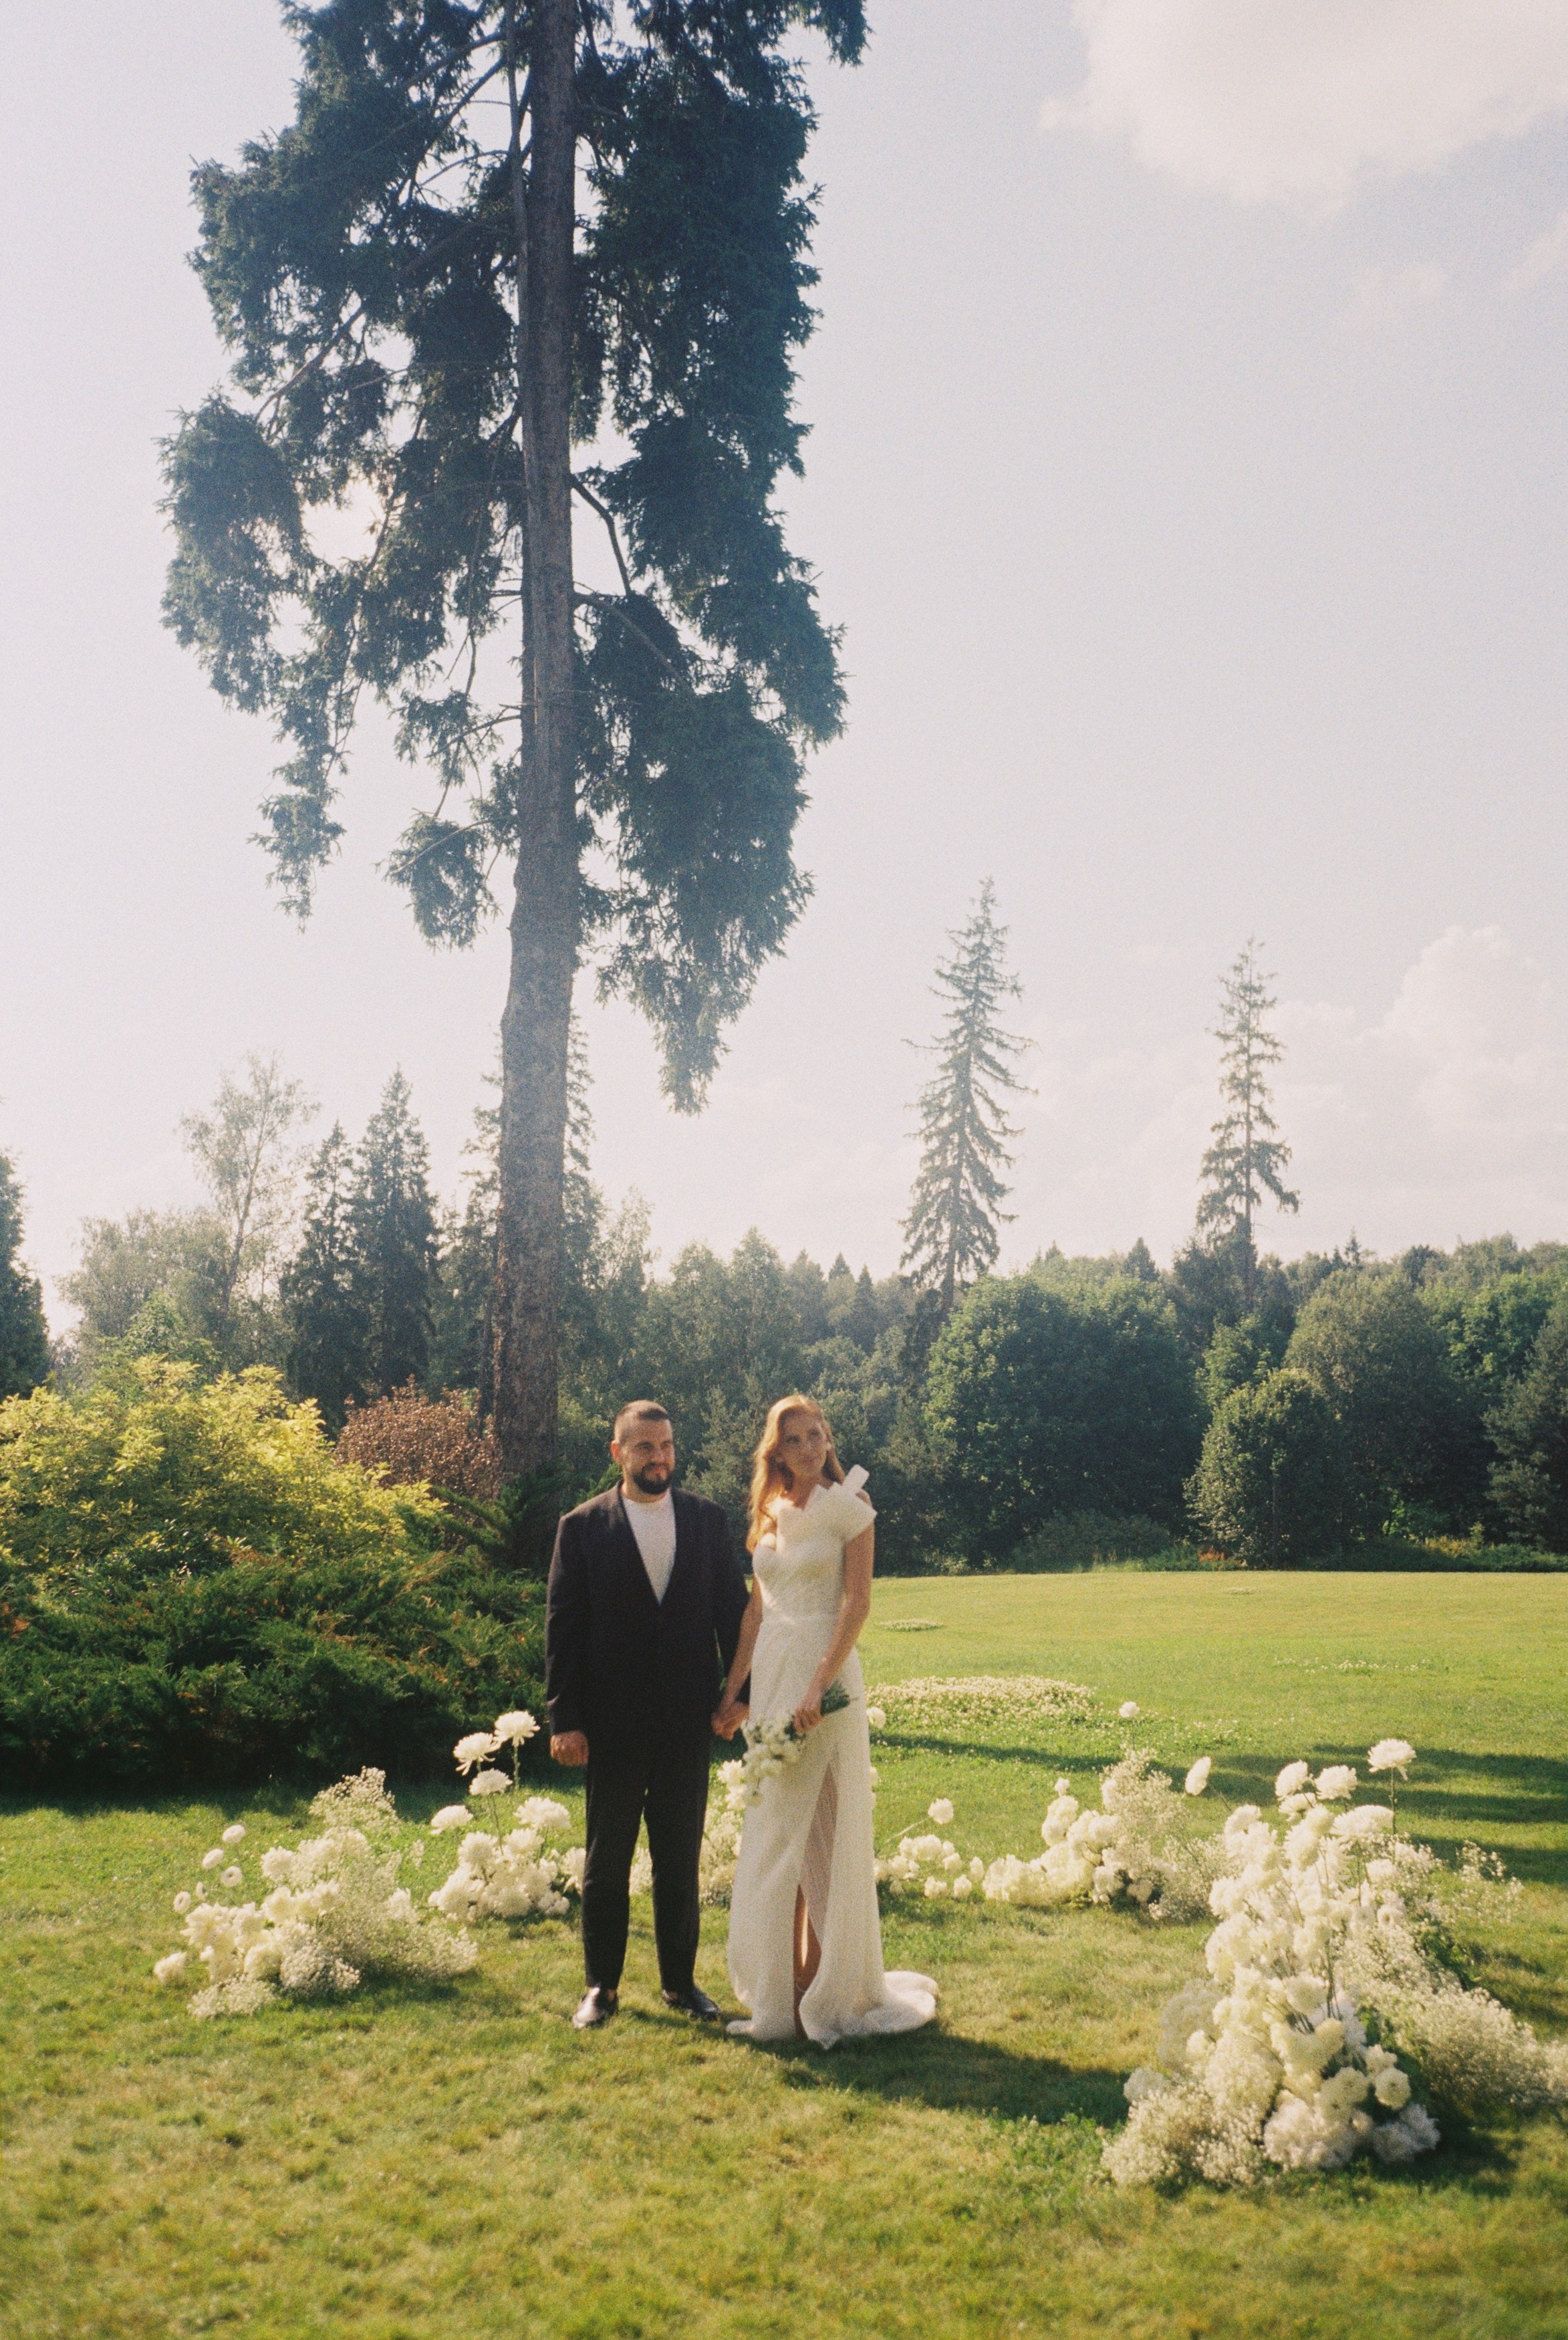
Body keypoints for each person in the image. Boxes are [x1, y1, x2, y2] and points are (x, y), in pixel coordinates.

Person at [714, 1395, 937, 2046]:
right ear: (776, 1450)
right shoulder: (770, 1513)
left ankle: (822, 1991)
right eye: (796, 1438)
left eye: (817, 1434)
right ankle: (777, 1998)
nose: (810, 1446)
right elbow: (757, 1614)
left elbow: (857, 1603)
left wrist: (817, 1685)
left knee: (823, 1835)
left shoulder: (850, 1509)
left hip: (827, 1683)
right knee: (773, 1833)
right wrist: (736, 1695)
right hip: (776, 1677)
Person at [546, 1401, 751, 2030]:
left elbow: (736, 1615)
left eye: (664, 1446)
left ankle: (679, 1984)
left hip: (688, 1722)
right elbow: (563, 1630)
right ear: (618, 1453)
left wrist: (741, 1696)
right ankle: (600, 1988)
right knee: (606, 1861)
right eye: (643, 1447)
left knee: (679, 1859)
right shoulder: (581, 1528)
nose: (657, 1458)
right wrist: (564, 1719)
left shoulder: (707, 1521)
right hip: (610, 1726)